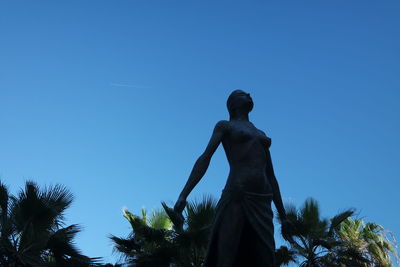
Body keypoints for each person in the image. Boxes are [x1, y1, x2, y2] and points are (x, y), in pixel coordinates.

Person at [173, 90, 293, 267]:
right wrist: (184, 194)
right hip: (238, 194)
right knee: (227, 253)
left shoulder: (260, 132)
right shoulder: (225, 126)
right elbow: (205, 157)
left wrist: (283, 217)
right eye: (243, 94)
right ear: (233, 103)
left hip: (263, 200)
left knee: (265, 257)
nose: (250, 94)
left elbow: (271, 175)